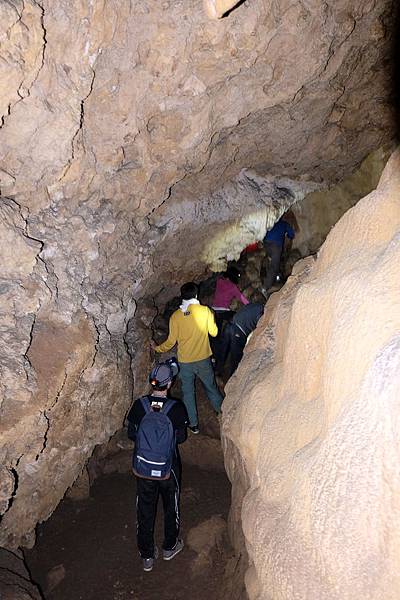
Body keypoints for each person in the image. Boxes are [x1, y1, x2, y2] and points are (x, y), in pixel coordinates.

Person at [127, 359, 188, 572]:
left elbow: (132, 434)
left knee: (145, 509)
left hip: (143, 468)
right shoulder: (176, 409)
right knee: (171, 506)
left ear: (152, 382)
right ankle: (169, 547)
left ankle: (147, 556)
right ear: (169, 384)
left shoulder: (139, 406)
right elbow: (180, 439)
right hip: (167, 468)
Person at [151, 282, 223, 434]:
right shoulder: (205, 311)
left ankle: (194, 425)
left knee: (188, 392)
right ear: (196, 295)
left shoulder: (176, 316)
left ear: (181, 296)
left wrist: (157, 348)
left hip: (185, 362)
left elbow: (171, 342)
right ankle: (221, 412)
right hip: (203, 358)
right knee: (210, 386)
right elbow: (214, 333)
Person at [220, 302, 264, 377]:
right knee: (236, 357)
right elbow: (259, 326)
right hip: (238, 331)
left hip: (229, 324)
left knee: (223, 351)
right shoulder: (262, 311)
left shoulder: (254, 305)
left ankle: (218, 370)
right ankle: (233, 377)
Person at [262, 217, 295, 292]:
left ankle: (266, 277)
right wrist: (287, 236)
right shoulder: (284, 224)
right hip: (276, 246)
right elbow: (291, 234)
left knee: (270, 261)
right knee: (274, 266)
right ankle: (265, 287)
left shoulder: (271, 223)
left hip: (266, 244)